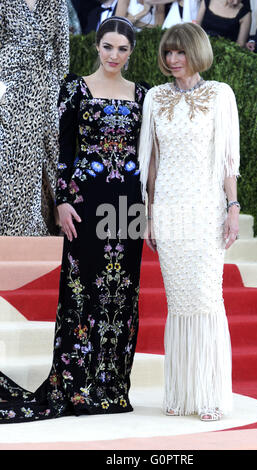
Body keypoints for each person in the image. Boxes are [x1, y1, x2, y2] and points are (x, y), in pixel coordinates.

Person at [0, 16, 148, 424]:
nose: (114, 55)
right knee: (82, 292)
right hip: (84, 202)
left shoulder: (143, 95)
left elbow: (149, 156)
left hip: (128, 204)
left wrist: (150, 206)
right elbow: (64, 150)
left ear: (130, 53)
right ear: (96, 47)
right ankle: (78, 386)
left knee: (121, 293)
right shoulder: (74, 89)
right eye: (107, 47)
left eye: (122, 49)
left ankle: (112, 387)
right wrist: (62, 202)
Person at [138, 22, 240, 420]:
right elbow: (151, 164)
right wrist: (147, 216)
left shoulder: (220, 95)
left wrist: (232, 207)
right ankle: (181, 393)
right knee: (178, 302)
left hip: (205, 209)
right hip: (168, 209)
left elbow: (228, 161)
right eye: (168, 53)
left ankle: (210, 394)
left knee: (205, 298)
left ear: (196, 52)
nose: (173, 60)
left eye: (181, 52)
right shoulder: (154, 99)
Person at [0, 0, 69, 236]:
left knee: (53, 150)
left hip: (45, 87)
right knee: (12, 158)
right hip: (10, 88)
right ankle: (12, 228)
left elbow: (63, 52)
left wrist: (55, 91)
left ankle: (52, 226)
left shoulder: (56, 3)